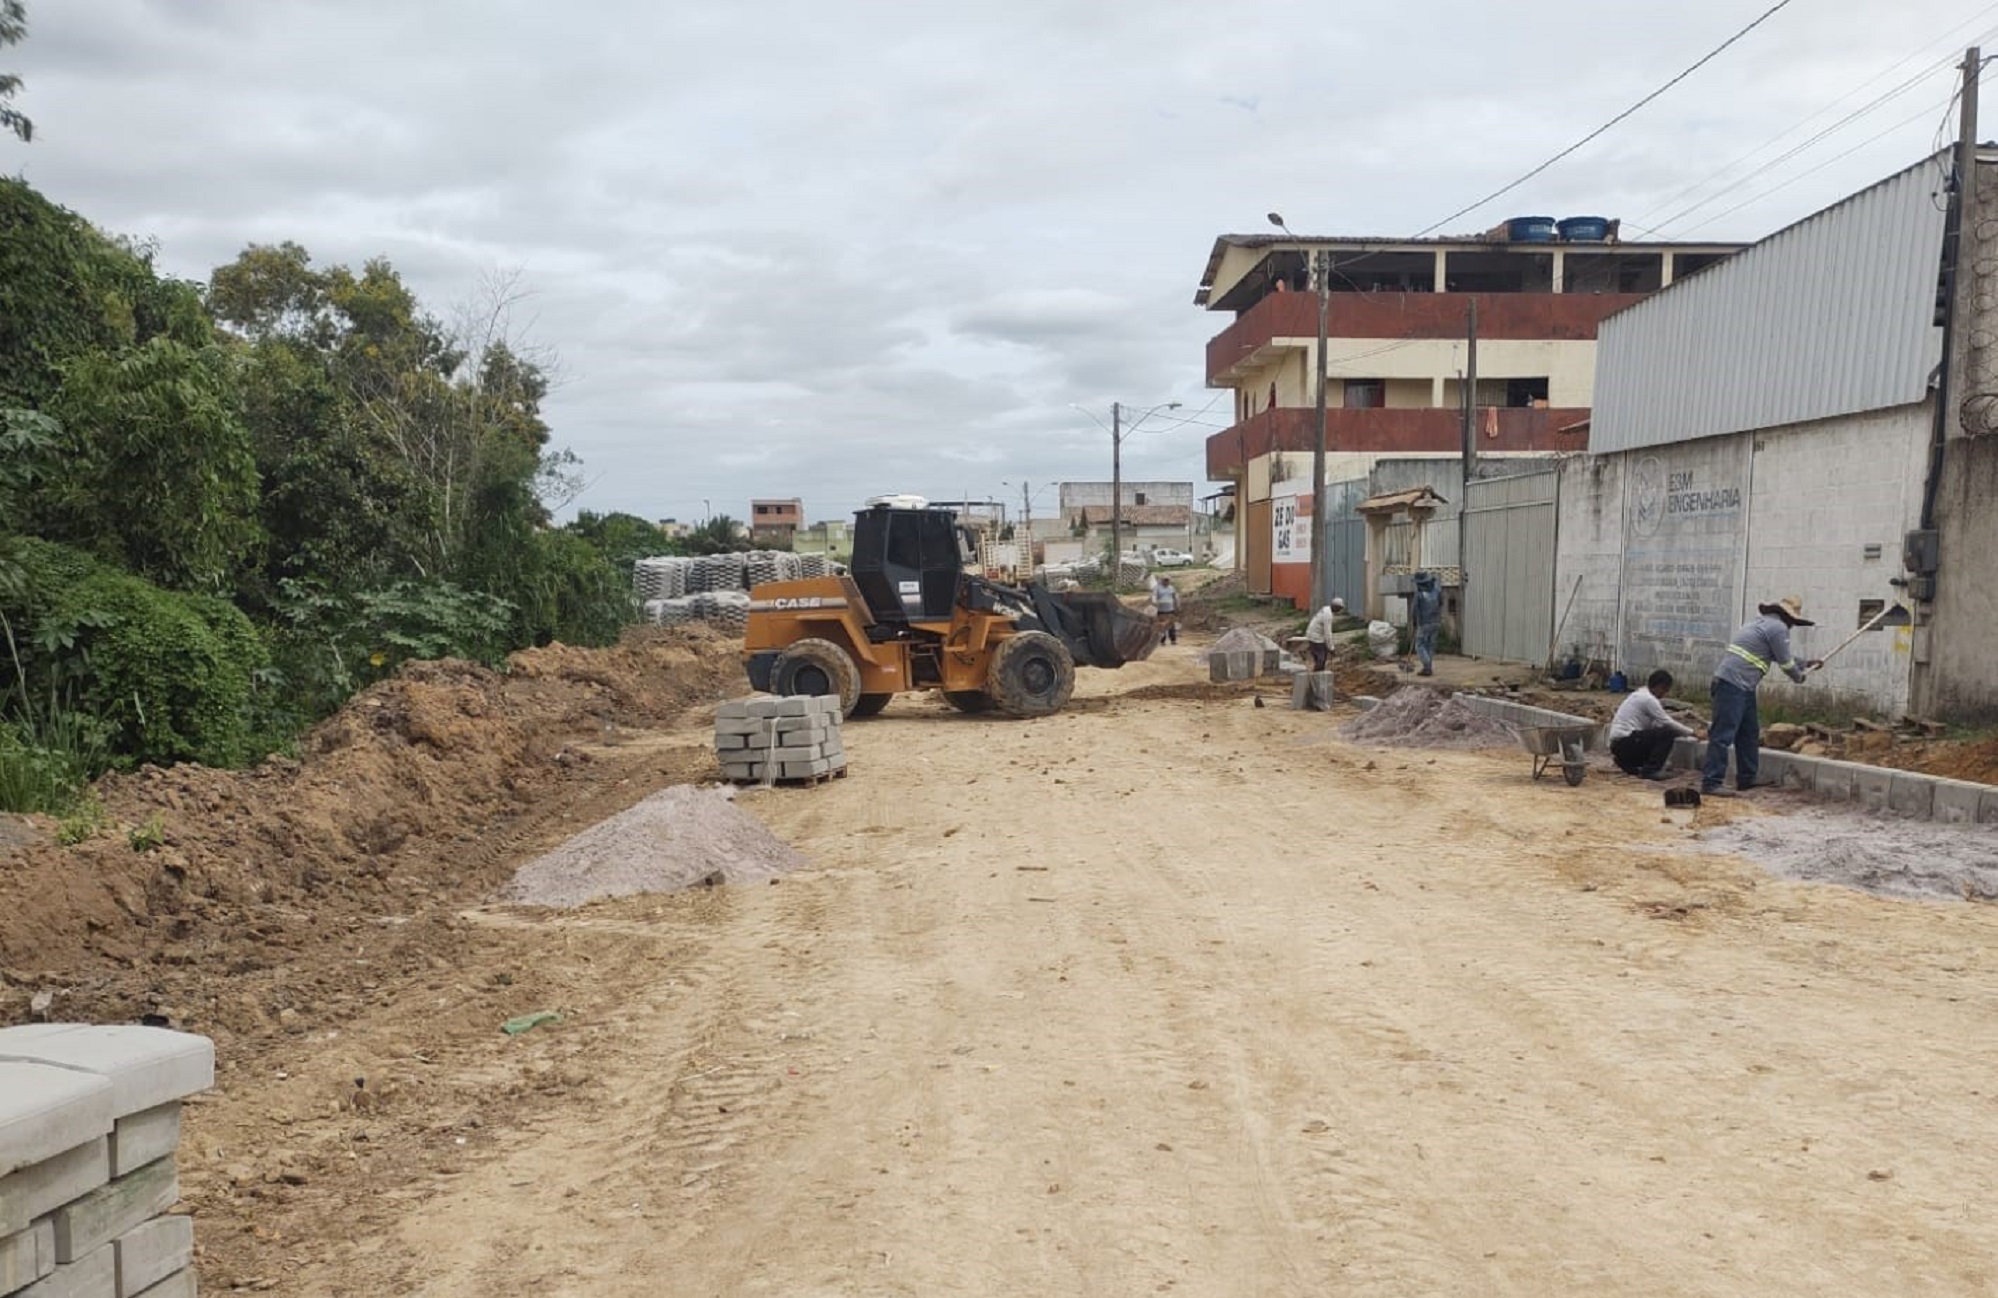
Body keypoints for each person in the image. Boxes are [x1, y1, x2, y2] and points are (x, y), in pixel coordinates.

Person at [1704, 596, 1823, 797]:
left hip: (1741, 686)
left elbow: (1779, 655)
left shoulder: (1763, 624)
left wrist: (1805, 663)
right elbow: (1786, 663)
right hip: (1733, 685)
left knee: (1749, 733)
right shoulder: (1778, 628)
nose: (1793, 627)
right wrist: (1799, 676)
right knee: (1723, 735)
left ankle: (1747, 777)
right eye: (1793, 622)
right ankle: (1711, 782)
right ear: (1787, 617)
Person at [1609, 669, 1700, 780]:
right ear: (1659, 686)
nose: (1664, 694)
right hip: (1626, 742)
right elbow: (1666, 722)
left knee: (1657, 734)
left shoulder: (1639, 694)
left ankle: (1629, 764)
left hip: (1619, 745)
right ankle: (1651, 771)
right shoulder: (1648, 699)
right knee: (1668, 733)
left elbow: (1656, 724)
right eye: (1665, 690)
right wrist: (1694, 733)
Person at [1411, 572, 1442, 677]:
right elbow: (1441, 603)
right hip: (1436, 622)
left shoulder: (1419, 594)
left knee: (1419, 645)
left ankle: (1427, 665)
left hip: (1424, 623)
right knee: (1429, 645)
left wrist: (1414, 621)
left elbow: (1415, 609)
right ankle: (1427, 668)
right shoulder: (1437, 591)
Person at [1304, 598, 1346, 671]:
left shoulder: (1326, 609)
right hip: (1316, 637)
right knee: (1321, 658)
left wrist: (1328, 647)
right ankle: (1316, 675)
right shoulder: (1328, 615)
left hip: (1311, 634)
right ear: (1335, 606)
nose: (1339, 610)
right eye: (1339, 608)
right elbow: (1328, 633)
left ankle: (1319, 673)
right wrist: (1331, 648)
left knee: (1322, 654)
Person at [1151, 574, 1180, 645]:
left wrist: (1177, 606)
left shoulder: (1171, 588)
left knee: (1171, 625)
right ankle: (1162, 640)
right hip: (1161, 610)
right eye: (1165, 580)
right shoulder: (1157, 588)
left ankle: (1173, 640)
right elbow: (1154, 596)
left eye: (1167, 580)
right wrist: (1155, 602)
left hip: (1170, 609)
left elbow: (1175, 597)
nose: (1166, 582)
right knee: (1162, 626)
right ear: (1161, 581)